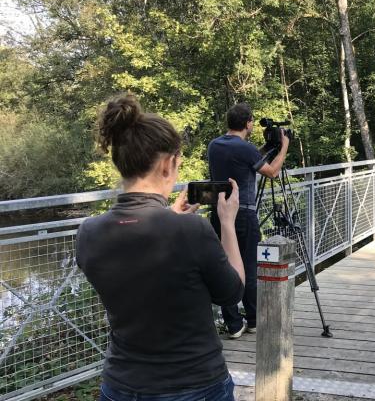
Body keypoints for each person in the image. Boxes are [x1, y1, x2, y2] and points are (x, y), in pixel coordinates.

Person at [76, 95, 244, 400]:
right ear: (168, 165)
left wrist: (170, 218)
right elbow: (232, 292)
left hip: (120, 386)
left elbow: (138, 272)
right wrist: (227, 223)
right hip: (194, 385)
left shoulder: (88, 233)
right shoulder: (190, 230)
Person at [207, 103, 290, 339]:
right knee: (249, 267)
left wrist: (264, 148)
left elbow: (247, 158)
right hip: (242, 213)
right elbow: (272, 172)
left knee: (224, 266)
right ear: (248, 123)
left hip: (219, 212)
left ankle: (233, 325)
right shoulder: (245, 149)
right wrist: (283, 147)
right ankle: (253, 320)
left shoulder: (214, 145)